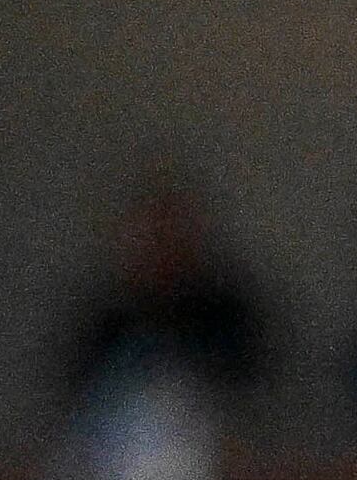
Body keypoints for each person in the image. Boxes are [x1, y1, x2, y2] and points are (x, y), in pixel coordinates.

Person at [59, 169, 270, 410]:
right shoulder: (112, 328)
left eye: (172, 231)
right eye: (152, 234)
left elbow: (247, 398)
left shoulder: (225, 321)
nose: (162, 247)